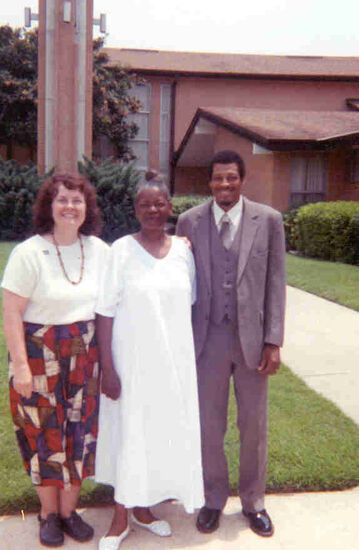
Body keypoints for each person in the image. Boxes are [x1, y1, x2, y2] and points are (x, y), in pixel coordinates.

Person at [176, 149, 286, 538]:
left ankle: (254, 502)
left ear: (242, 179)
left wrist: (273, 341)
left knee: (253, 424)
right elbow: (179, 286)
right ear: (209, 182)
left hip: (253, 341)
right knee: (209, 424)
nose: (224, 184)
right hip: (207, 339)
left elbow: (275, 282)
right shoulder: (188, 222)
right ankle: (213, 499)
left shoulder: (268, 220)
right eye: (218, 178)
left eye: (231, 178)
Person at [95, 172, 204, 550]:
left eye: (160, 203)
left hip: (171, 365)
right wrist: (108, 368)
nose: (153, 210)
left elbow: (187, 308)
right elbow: (104, 311)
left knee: (157, 435)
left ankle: (144, 510)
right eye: (146, 204)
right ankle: (119, 518)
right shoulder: (120, 251)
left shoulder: (183, 252)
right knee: (130, 434)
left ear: (170, 207)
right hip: (131, 365)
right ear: (136, 209)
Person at [2, 173, 108, 547]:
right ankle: (47, 514)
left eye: (77, 200)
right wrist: (20, 366)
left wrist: (178, 242)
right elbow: (11, 312)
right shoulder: (29, 252)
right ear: (49, 205)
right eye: (62, 199)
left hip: (84, 353)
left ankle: (68, 512)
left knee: (79, 432)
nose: (69, 207)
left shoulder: (99, 250)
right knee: (44, 432)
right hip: (38, 351)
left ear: (86, 207)